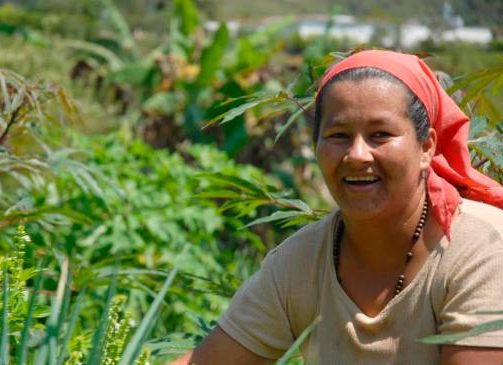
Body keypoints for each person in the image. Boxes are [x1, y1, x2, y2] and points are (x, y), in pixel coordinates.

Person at [169, 50, 503, 364]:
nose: (357, 155)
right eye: (338, 135)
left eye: (380, 134)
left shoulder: (483, 250)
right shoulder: (300, 263)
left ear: (426, 147)